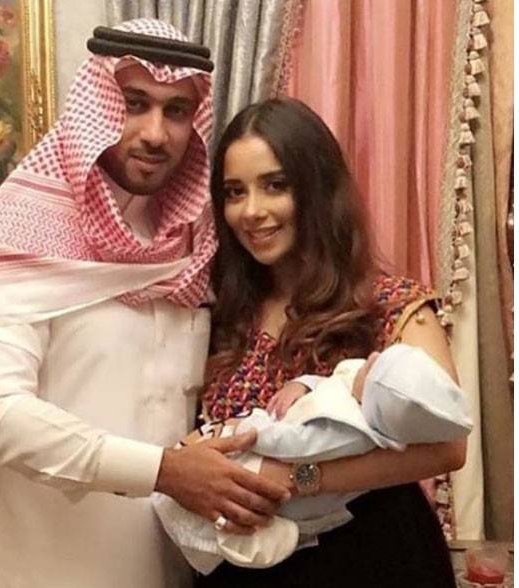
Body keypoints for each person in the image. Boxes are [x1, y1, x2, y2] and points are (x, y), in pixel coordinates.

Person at [0, 19, 289, 588]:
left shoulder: (196, 248)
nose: (155, 133)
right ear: (95, 101)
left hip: (172, 568)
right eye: (134, 103)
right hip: (40, 571)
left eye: (176, 111)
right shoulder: (17, 236)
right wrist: (163, 471)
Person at [195, 97, 466, 588]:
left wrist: (297, 479)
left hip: (372, 558)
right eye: (235, 192)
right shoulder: (219, 313)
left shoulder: (390, 304)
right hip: (245, 563)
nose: (251, 211)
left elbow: (448, 448)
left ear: (317, 189)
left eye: (275, 185)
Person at [154, 343, 472, 573]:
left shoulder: (356, 425)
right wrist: (301, 384)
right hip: (232, 518)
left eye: (375, 365)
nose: (372, 358)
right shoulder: (225, 305)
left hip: (361, 552)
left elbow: (449, 445)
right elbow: (335, 380)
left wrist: (290, 470)